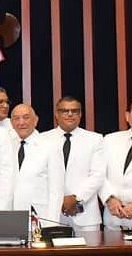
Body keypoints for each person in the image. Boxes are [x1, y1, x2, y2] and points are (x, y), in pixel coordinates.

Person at [40, 96, 104, 231]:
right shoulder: (42, 139)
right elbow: (39, 175)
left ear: (80, 114)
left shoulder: (95, 139)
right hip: (51, 214)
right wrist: (60, 200)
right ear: (56, 114)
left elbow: (98, 175)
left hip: (85, 215)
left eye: (75, 111)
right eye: (65, 111)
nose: (70, 114)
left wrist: (76, 198)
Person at [9, 103, 64, 222]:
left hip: (40, 217)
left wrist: (52, 223)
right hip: (12, 217)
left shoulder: (50, 146)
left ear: (35, 120)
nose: (21, 122)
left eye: (26, 117)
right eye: (16, 118)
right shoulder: (7, 145)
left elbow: (56, 190)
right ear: (11, 123)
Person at [99, 101, 132, 229]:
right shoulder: (110, 140)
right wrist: (109, 198)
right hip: (113, 219)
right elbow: (98, 174)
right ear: (127, 116)